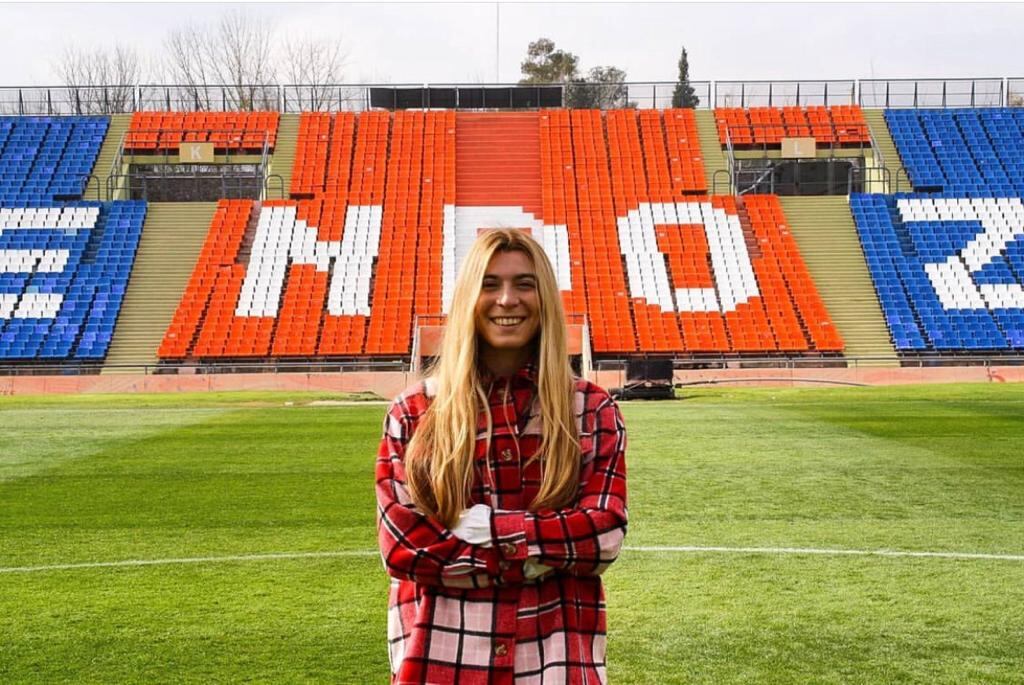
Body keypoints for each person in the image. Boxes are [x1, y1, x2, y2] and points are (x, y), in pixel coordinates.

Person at [376, 228, 628, 684]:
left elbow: (603, 536)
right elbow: (403, 548)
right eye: (490, 284)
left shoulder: (591, 410)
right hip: (438, 661)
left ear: (544, 296)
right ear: (470, 296)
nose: (507, 299)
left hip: (555, 660)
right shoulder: (415, 413)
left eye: (524, 284)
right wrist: (532, 553)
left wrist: (484, 529)